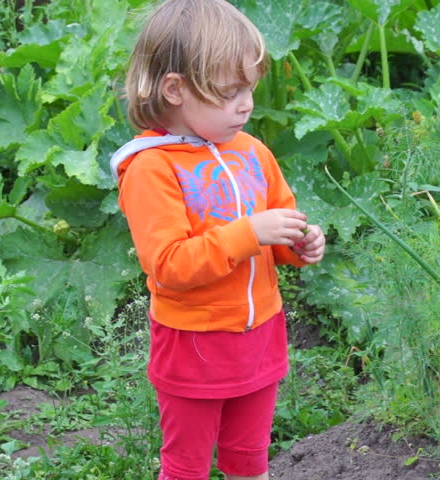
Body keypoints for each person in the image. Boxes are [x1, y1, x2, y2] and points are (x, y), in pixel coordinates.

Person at [110, 1, 326, 479]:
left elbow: (281, 228)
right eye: (230, 92)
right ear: (175, 90)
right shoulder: (152, 168)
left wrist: (299, 245)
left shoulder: (253, 152)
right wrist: (250, 233)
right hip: (194, 346)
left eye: (249, 87)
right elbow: (168, 265)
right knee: (186, 467)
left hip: (260, 337)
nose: (246, 103)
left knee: (249, 460)